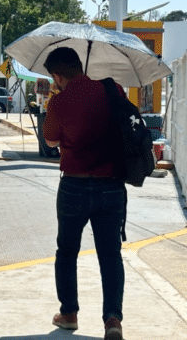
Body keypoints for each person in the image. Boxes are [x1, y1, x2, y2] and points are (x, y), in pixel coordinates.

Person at [42, 46, 126, 340]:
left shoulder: (59, 101)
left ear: (57, 75)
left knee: (67, 251)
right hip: (112, 185)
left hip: (74, 185)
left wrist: (57, 111)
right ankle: (113, 320)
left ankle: (69, 314)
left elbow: (50, 141)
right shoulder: (113, 89)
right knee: (110, 254)